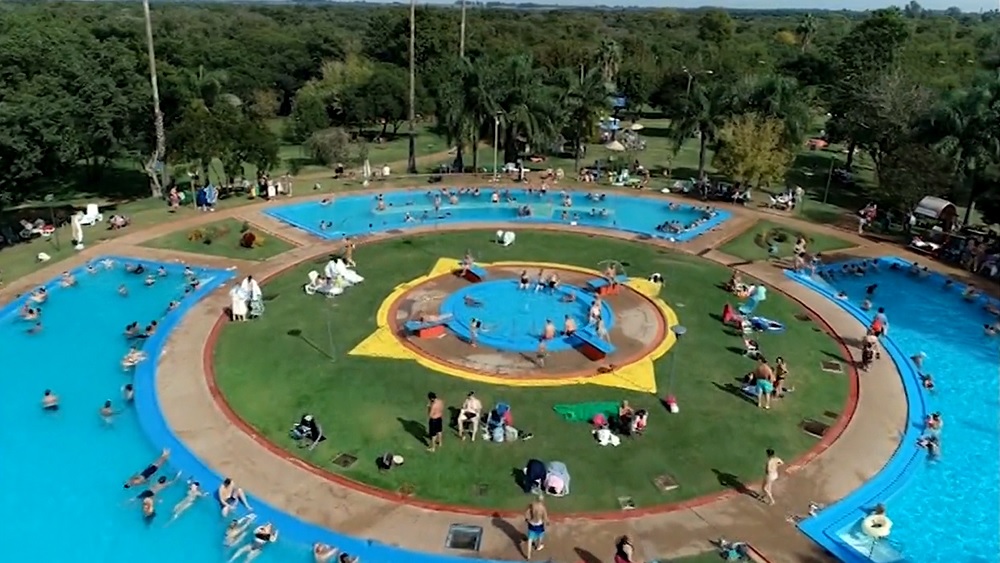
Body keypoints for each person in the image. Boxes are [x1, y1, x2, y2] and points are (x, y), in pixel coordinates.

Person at [524, 494, 549, 559]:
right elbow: (545, 517)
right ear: (542, 500)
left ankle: (528, 555)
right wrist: (547, 522)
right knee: (540, 534)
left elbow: (527, 512)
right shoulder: (543, 508)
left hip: (531, 523)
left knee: (530, 539)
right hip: (539, 524)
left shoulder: (532, 504)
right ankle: (538, 546)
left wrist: (527, 519)